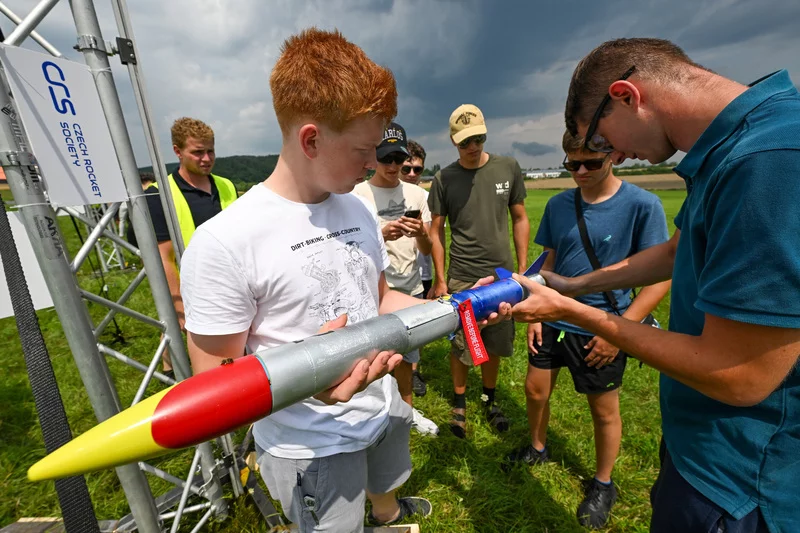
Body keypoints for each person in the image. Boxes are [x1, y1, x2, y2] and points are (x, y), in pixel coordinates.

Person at [179, 28, 510, 531]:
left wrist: (463, 305)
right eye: (365, 149)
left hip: (382, 408)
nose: (375, 163)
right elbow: (213, 381)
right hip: (309, 445)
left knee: (387, 483)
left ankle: (387, 512)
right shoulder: (224, 241)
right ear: (311, 138)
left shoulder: (355, 207)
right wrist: (309, 383)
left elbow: (379, 299)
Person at [511, 38, 800, 533]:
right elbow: (674, 252)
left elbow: (740, 376)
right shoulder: (734, 147)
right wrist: (577, 285)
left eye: (601, 142)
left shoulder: (767, 158)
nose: (614, 157)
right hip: (706, 444)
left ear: (626, 95)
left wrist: (571, 311)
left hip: (744, 478)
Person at [504, 129, 671, 529]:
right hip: (553, 316)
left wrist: (619, 331)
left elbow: (662, 277)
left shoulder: (641, 205)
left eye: (590, 163)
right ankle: (538, 446)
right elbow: (548, 260)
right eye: (571, 163)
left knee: (602, 407)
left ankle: (603, 483)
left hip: (603, 322)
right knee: (534, 389)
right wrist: (536, 310)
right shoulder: (561, 204)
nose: (579, 171)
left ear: (613, 155)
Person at [428, 104, 530, 438]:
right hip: (463, 276)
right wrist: (441, 279)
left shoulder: (508, 168)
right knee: (462, 345)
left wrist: (523, 269)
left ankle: (489, 397)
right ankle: (459, 402)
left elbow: (520, 217)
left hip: (502, 276)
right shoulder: (444, 179)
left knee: (496, 340)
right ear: (453, 142)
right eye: (464, 142)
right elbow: (437, 231)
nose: (473, 147)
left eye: (478, 138)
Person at [353, 124, 438, 435]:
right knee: (371, 360)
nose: (392, 167)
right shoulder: (357, 194)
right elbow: (349, 249)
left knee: (406, 360)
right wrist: (380, 234)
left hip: (410, 287)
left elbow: (427, 249)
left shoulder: (416, 194)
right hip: (373, 293)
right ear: (374, 157)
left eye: (398, 159)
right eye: (385, 158)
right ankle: (373, 415)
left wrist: (422, 234)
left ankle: (407, 413)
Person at [138, 118, 237, 378]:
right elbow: (164, 258)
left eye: (210, 151)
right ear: (177, 151)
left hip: (229, 280)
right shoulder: (160, 195)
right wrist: (178, 306)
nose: (206, 158)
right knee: (190, 345)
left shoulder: (225, 185)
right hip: (191, 285)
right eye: (197, 152)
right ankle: (173, 376)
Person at [398, 139, 431, 398]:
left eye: (417, 170)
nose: (411, 174)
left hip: (421, 273)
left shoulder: (423, 197)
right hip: (391, 277)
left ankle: (414, 371)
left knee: (416, 331)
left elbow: (433, 241)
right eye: (406, 168)